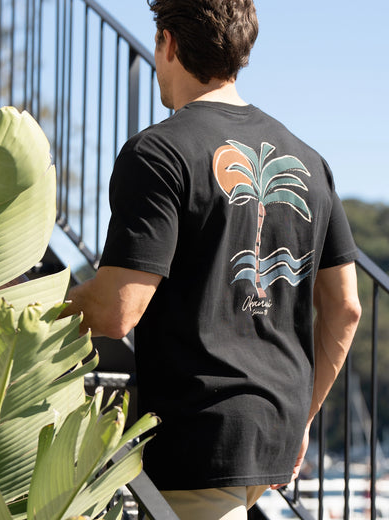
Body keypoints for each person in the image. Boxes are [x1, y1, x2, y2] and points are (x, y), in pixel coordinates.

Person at [62, 1, 362, 518]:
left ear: (168, 43)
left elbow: (117, 310)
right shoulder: (311, 160)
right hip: (275, 434)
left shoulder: (158, 152)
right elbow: (346, 308)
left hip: (198, 440)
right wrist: (303, 417)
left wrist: (30, 309)